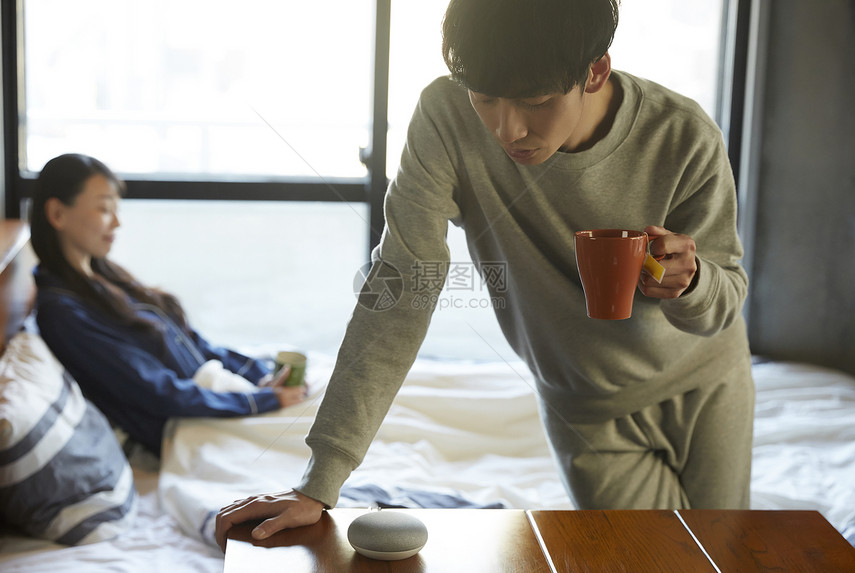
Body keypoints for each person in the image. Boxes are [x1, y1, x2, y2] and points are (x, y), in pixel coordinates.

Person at [216, 0, 754, 549]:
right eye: (485, 99)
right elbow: (401, 288)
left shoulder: (682, 134)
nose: (507, 128)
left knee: (723, 554)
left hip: (706, 384)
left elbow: (727, 297)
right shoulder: (446, 118)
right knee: (651, 561)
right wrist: (319, 481)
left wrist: (691, 282)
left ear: (594, 72)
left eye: (536, 101)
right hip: (586, 407)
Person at [30, 153, 307, 457]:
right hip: (188, 426)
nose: (118, 221)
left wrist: (257, 375)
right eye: (104, 208)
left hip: (210, 398)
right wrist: (260, 401)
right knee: (320, 430)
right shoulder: (62, 313)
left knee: (330, 403)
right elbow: (156, 391)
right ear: (57, 214)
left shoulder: (103, 277)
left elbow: (191, 341)